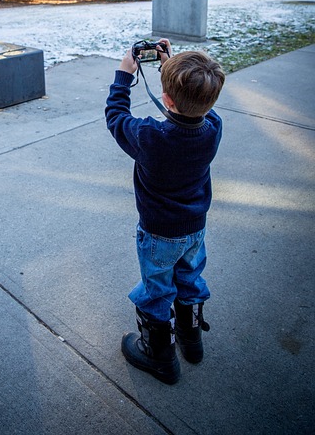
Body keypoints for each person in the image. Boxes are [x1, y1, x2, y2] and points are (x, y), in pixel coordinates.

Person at [105, 39, 225, 385]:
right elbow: (191, 108)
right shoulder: (213, 128)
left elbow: (116, 116)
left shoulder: (149, 136)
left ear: (167, 100)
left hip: (159, 235)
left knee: (157, 290)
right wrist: (171, 66)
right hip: (194, 231)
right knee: (189, 279)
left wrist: (124, 75)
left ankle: (159, 355)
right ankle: (191, 340)